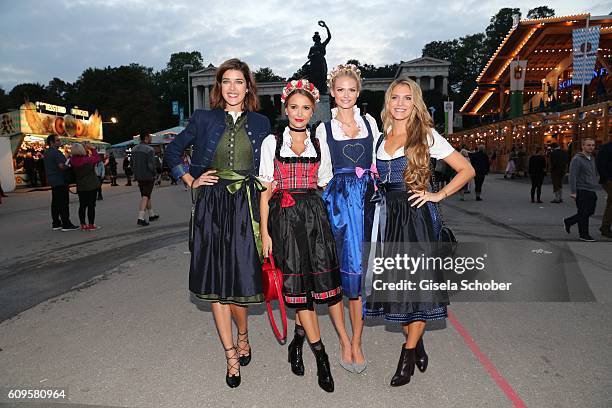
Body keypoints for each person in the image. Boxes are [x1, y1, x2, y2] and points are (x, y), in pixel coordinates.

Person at [164, 58, 271, 388]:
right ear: (219, 87)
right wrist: (190, 179)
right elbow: (173, 151)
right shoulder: (203, 118)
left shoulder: (262, 122)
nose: (233, 88)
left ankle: (243, 333)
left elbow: (269, 168)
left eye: (239, 81)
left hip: (246, 208)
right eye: (227, 81)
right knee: (215, 285)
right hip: (212, 206)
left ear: (248, 87)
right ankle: (229, 355)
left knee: (240, 283)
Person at [364, 78, 474, 387]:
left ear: (416, 103)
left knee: (418, 289)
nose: (400, 103)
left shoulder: (426, 135)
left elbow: (466, 170)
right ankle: (418, 341)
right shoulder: (380, 137)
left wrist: (437, 195)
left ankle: (407, 354)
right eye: (395, 98)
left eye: (407, 98)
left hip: (416, 219)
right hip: (388, 220)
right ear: (388, 102)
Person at [259, 79, 339, 392]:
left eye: (306, 107)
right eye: (294, 107)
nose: (300, 113)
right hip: (283, 220)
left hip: (313, 217)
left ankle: (297, 341)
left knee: (310, 287)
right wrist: (265, 232)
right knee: (296, 285)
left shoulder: (319, 143)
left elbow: (323, 182)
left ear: (313, 109)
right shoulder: (271, 141)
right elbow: (265, 192)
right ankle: (322, 357)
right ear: (285, 108)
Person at [315, 64, 379, 373]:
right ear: (332, 92)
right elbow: (323, 174)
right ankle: (343, 339)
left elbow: (379, 160)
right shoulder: (324, 129)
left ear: (358, 92)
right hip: (338, 204)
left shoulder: (370, 122)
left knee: (361, 273)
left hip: (366, 201)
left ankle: (357, 341)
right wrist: (334, 202)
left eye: (351, 90)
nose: (346, 95)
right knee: (339, 274)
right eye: (340, 90)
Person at [564, 138, 599, 242]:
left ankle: (569, 221)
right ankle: (584, 234)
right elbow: (572, 176)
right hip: (581, 189)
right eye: (588, 145)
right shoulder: (577, 159)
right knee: (583, 212)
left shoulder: (592, 158)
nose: (591, 147)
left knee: (590, 211)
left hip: (591, 189)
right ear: (583, 146)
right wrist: (573, 192)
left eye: (592, 145)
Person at [43, 134, 79, 231]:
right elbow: (61, 166)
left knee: (55, 203)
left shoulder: (47, 152)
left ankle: (56, 223)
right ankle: (66, 224)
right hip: (60, 180)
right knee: (63, 203)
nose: (60, 142)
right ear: (52, 142)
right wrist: (69, 164)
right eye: (58, 140)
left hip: (53, 180)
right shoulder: (56, 152)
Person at [70, 143, 101, 230]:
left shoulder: (72, 160)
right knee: (91, 205)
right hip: (91, 184)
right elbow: (98, 158)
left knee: (82, 205)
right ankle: (91, 224)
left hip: (81, 185)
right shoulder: (88, 160)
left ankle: (83, 224)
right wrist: (92, 148)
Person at [131, 133, 159, 226]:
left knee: (146, 194)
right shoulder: (150, 149)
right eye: (150, 138)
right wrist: (155, 173)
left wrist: (135, 173)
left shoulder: (134, 149)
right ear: (146, 138)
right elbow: (151, 165)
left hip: (138, 176)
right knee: (145, 196)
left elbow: (131, 163)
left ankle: (151, 214)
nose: (151, 139)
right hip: (148, 176)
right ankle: (141, 217)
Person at [597, 141, 612, 237]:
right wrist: (606, 179)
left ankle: (605, 226)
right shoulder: (607, 147)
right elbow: (600, 164)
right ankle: (605, 226)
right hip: (609, 179)